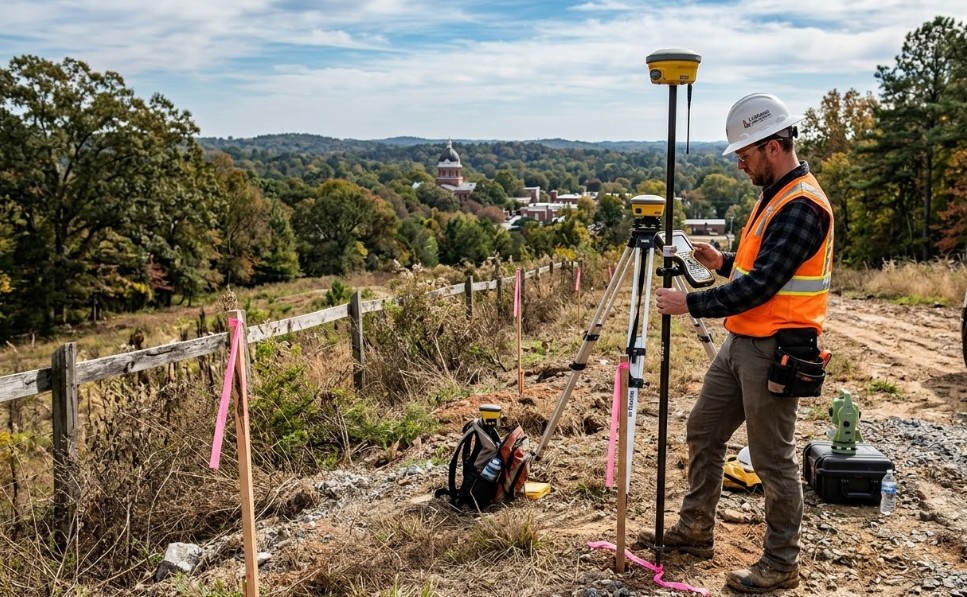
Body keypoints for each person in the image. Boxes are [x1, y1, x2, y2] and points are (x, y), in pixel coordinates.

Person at [638, 92, 834, 594]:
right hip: (743, 339)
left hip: (776, 347)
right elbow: (755, 271)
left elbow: (765, 285)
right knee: (703, 429)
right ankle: (696, 528)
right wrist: (720, 261)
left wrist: (692, 304)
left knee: (771, 460)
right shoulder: (773, 195)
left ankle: (781, 562)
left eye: (745, 156)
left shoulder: (802, 206)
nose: (741, 165)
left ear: (772, 145)